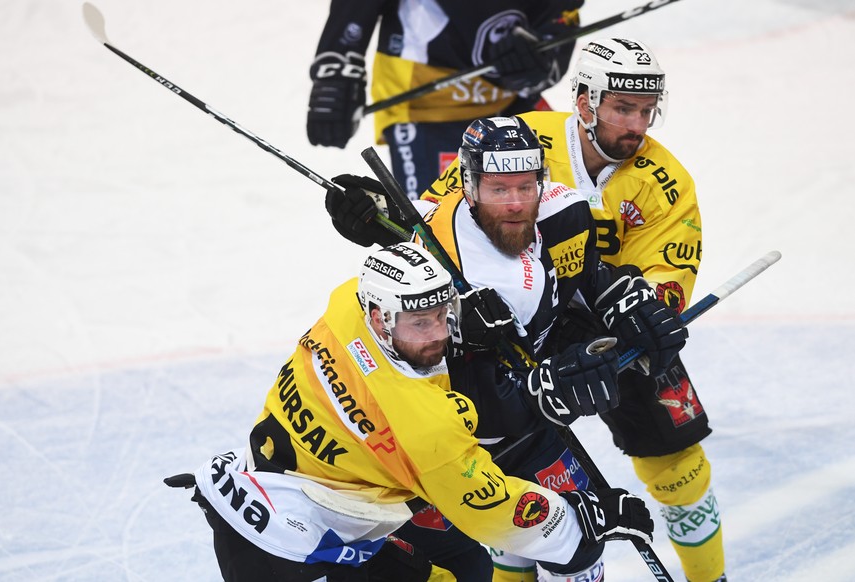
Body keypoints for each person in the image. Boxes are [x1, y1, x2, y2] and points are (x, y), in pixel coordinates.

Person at [324, 117, 689, 581]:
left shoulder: (564, 210)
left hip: (529, 423)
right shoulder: (443, 266)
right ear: (470, 187)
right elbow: (446, 396)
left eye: (525, 186)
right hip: (458, 449)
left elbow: (586, 274)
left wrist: (619, 300)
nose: (516, 205)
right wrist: (547, 387)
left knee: (580, 557)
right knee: (504, 548)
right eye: (499, 190)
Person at [417, 39, 727, 582]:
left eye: (646, 109)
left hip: (613, 323)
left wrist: (650, 313)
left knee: (678, 462)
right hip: (517, 325)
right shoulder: (518, 143)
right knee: (510, 478)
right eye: (623, 108)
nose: (637, 124)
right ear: (585, 101)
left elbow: (667, 272)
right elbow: (436, 216)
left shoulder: (666, 181)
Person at [167, 242, 655, 582]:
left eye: (442, 315)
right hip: (294, 556)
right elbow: (498, 515)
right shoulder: (428, 430)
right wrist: (584, 516)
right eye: (422, 323)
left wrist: (462, 318)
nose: (438, 334)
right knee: (466, 562)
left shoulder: (346, 305)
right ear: (380, 318)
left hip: (249, 499)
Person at [306, 0, 582, 199]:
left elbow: (559, 18)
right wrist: (337, 72)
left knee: (562, 203)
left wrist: (540, 59)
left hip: (509, 99)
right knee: (436, 230)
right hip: (425, 104)